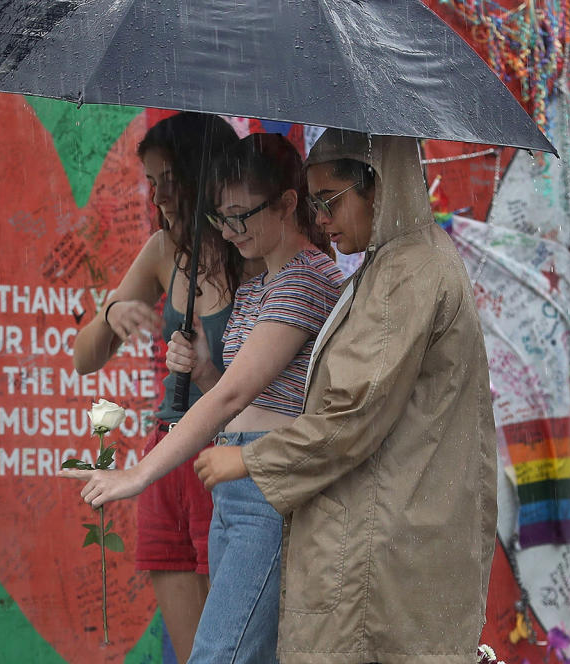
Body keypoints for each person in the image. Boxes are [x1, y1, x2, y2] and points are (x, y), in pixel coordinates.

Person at [193, 129, 499, 664]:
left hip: (382, 549)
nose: (322, 218)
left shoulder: (409, 273)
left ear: (380, 188)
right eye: (314, 203)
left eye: (330, 200)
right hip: (381, 536)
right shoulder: (394, 265)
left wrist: (248, 458)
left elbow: (351, 416)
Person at [63, 132, 345, 663]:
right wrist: (203, 367)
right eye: (221, 218)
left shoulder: (308, 277)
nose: (230, 230)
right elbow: (226, 390)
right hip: (233, 487)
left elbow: (236, 395)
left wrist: (138, 473)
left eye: (241, 216)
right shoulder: (261, 281)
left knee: (219, 655)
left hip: (266, 484)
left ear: (288, 203)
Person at [71, 112, 240, 661]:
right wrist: (113, 311)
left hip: (230, 457)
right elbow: (84, 359)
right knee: (193, 652)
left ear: (203, 171)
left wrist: (213, 369)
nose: (159, 195)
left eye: (170, 178)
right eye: (150, 181)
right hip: (168, 453)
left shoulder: (249, 250)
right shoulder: (164, 251)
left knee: (232, 646)